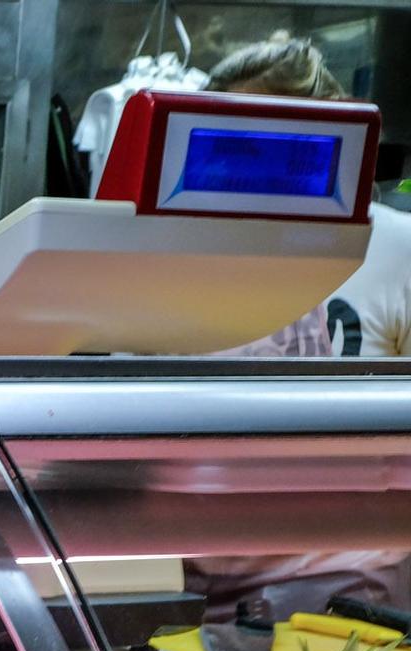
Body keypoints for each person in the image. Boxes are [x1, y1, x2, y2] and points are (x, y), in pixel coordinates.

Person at [193, 36, 408, 616]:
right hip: (193, 595)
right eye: (241, 148)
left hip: (358, 600)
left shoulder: (394, 247)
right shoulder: (173, 257)